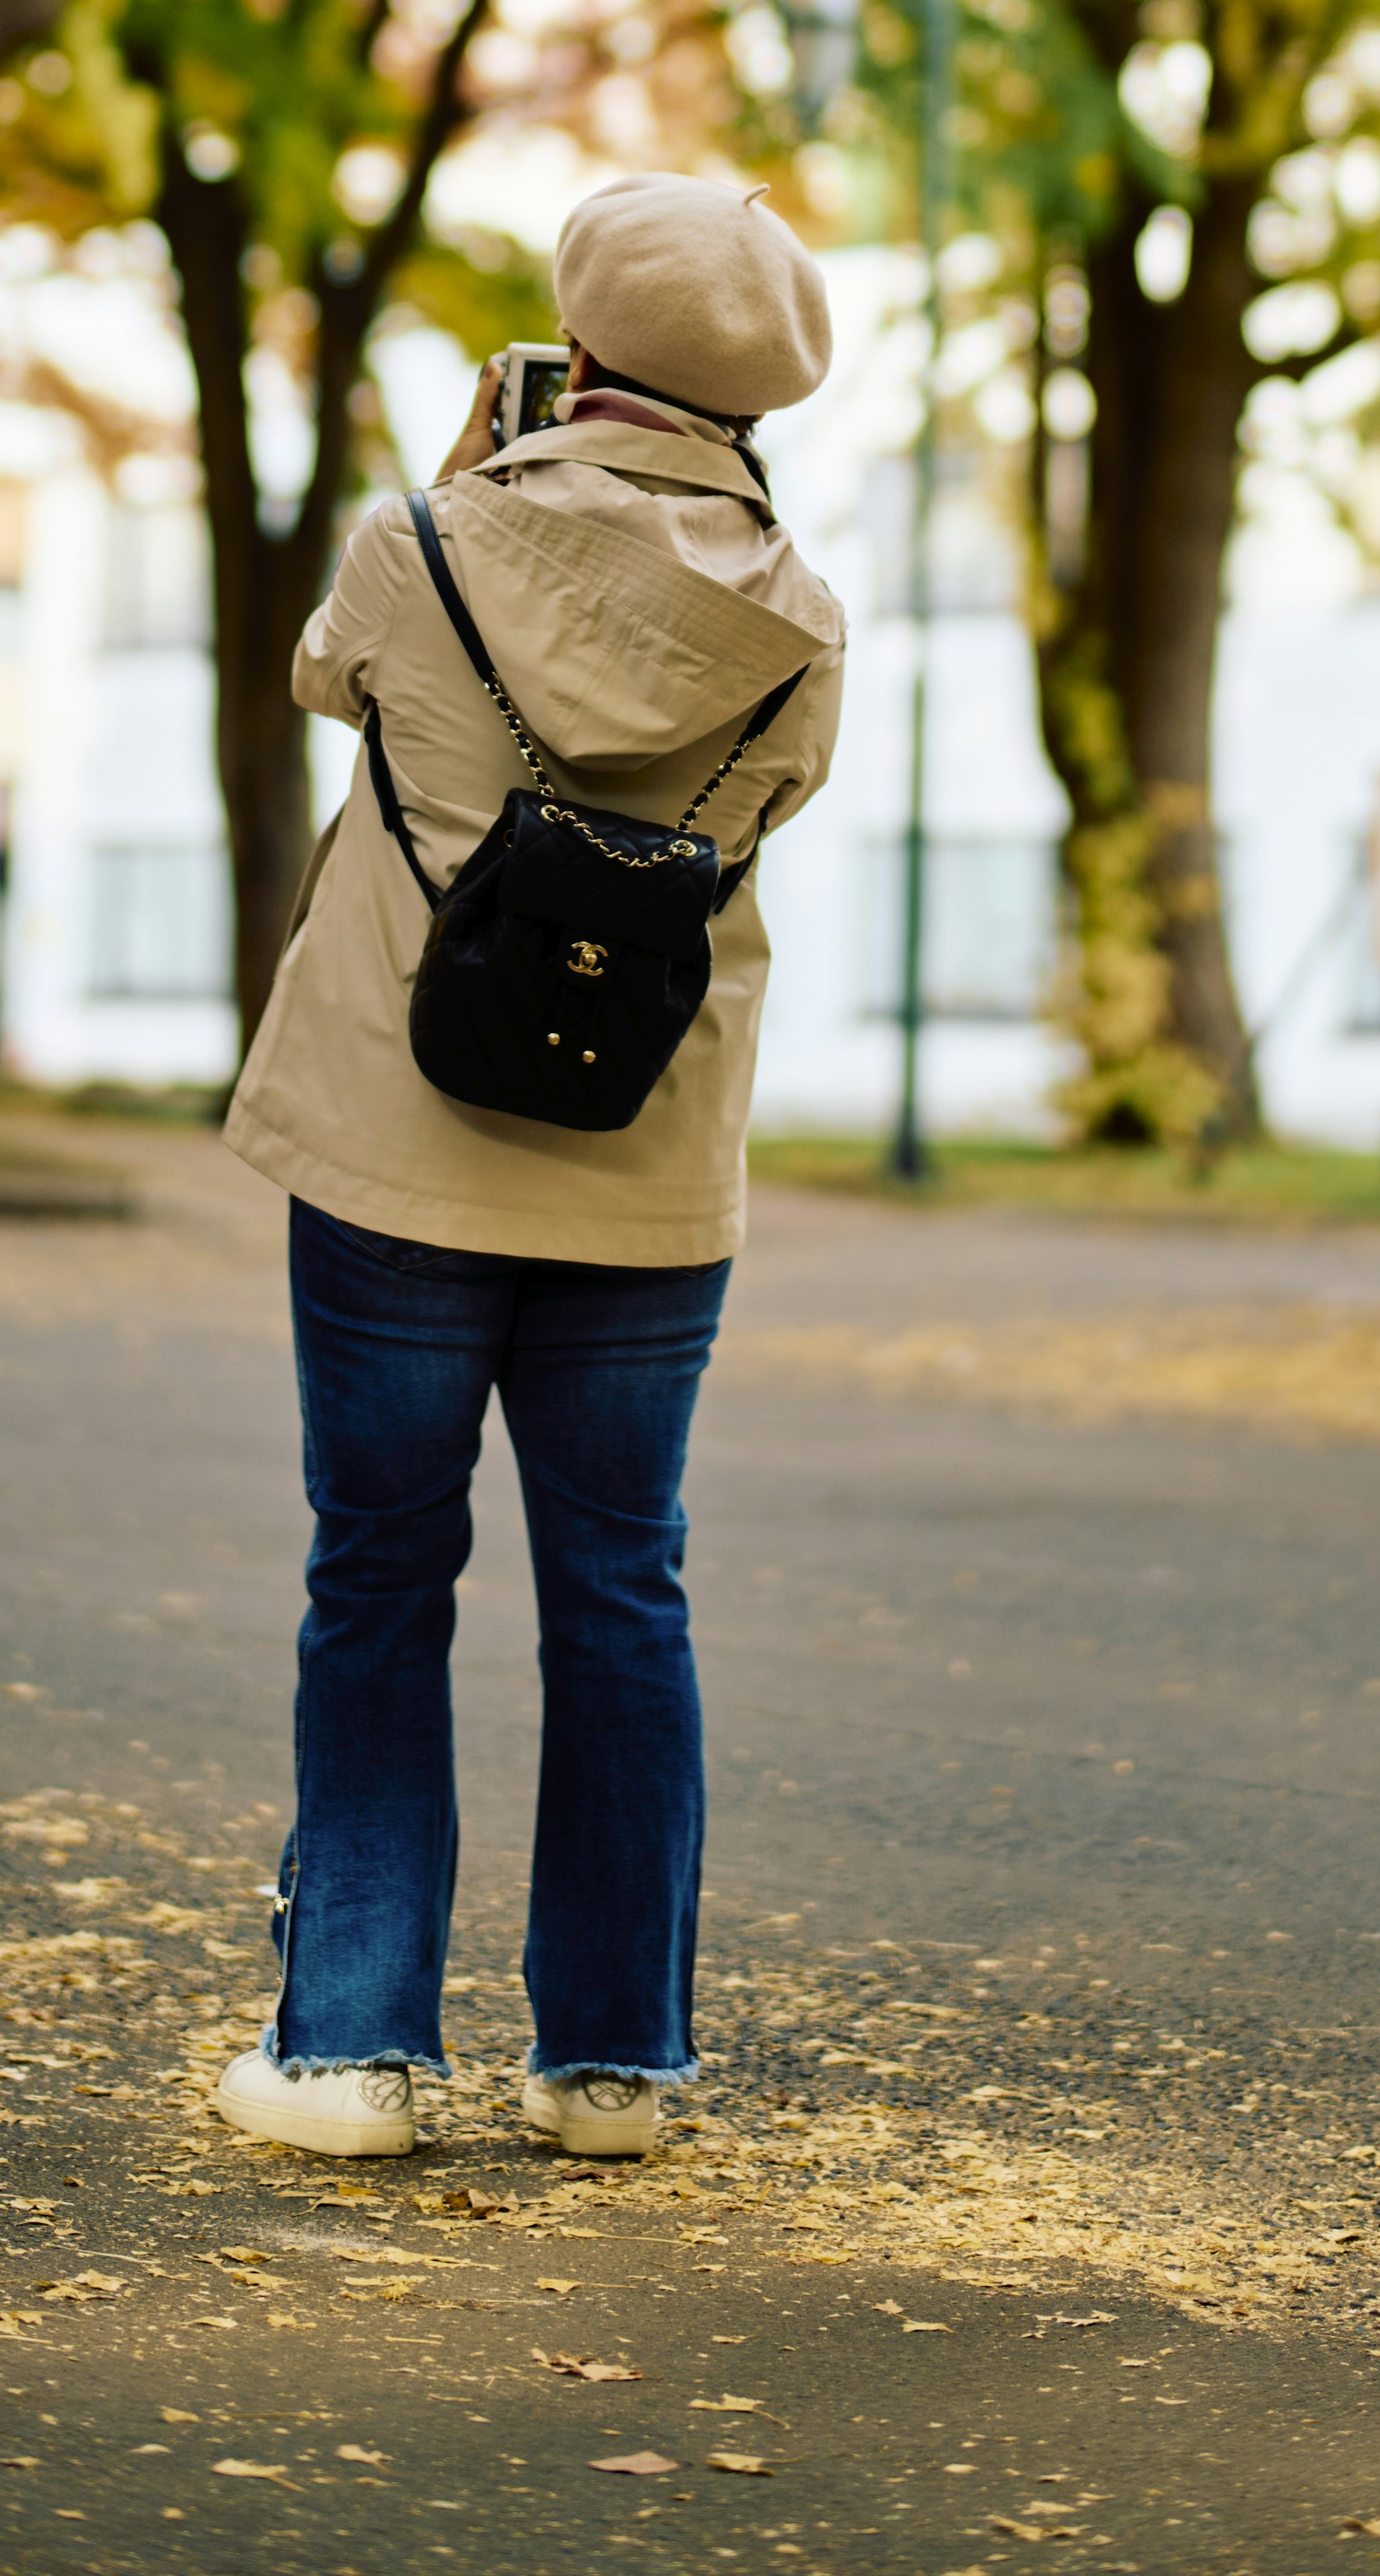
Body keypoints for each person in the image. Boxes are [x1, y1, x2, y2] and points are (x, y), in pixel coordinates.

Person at [214, 175, 846, 2165]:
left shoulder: (420, 545)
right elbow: (754, 806)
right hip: (645, 1169)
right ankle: (613, 2068)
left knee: (381, 1574)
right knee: (621, 1590)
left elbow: (330, 677)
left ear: (576, 355)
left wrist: (460, 489)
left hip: (398, 1148)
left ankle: (350, 2057)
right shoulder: (803, 621)